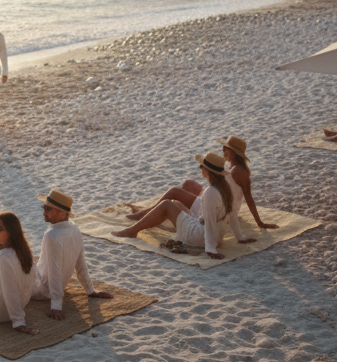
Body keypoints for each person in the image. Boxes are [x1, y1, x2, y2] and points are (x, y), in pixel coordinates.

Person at [112, 153, 254, 259]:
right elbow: (232, 216)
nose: (200, 169)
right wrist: (240, 238)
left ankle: (132, 231)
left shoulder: (210, 192)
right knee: (176, 204)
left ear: (207, 171)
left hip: (200, 236)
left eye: (201, 167)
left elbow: (209, 222)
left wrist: (210, 249)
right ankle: (141, 222)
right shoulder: (225, 189)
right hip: (214, 235)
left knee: (167, 205)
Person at [124, 136, 278, 232]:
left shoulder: (238, 171)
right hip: (215, 198)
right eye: (224, 148)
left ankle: (144, 214)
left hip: (214, 205)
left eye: (227, 149)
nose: (223, 151)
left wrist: (260, 222)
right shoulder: (234, 168)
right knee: (188, 184)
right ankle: (151, 212)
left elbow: (248, 197)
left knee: (174, 192)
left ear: (235, 153)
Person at [32, 189, 112, 321]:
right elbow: (81, 263)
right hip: (52, 285)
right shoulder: (75, 229)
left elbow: (55, 271)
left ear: (62, 213)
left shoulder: (51, 236)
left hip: (39, 289)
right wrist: (90, 290)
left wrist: (56, 304)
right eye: (43, 207)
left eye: (47, 208)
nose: (43, 212)